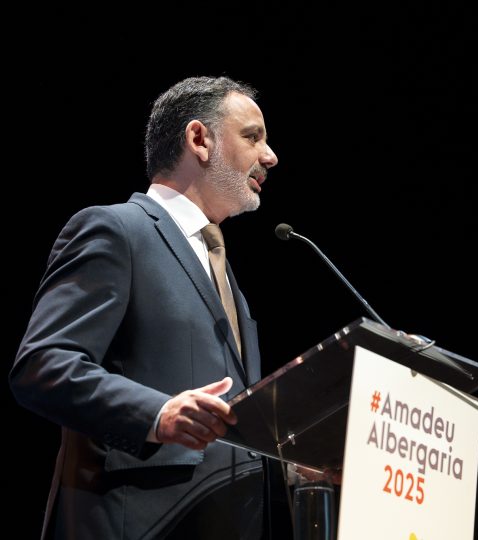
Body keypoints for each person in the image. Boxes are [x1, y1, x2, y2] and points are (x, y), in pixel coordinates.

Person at [10, 75, 278, 539]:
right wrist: (156, 414)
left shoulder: (222, 268)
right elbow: (43, 364)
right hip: (135, 523)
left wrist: (293, 464)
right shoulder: (117, 230)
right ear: (199, 139)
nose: (270, 156)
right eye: (253, 137)